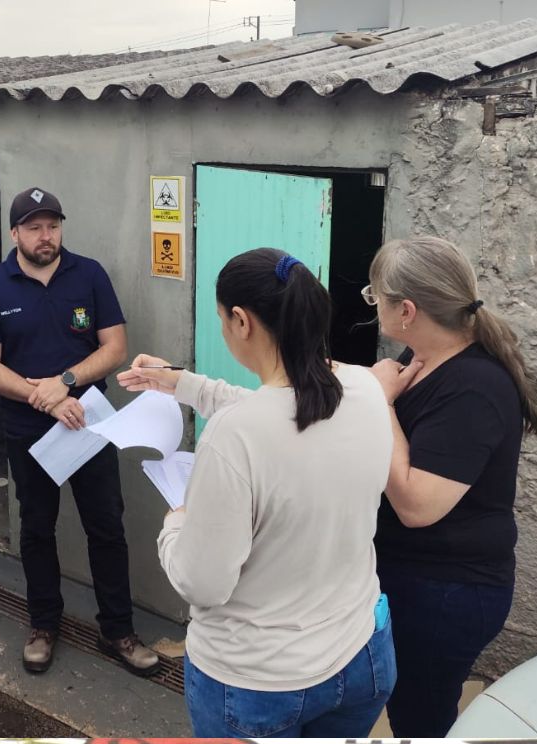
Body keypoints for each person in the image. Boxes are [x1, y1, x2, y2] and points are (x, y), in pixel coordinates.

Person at [119, 247, 396, 738]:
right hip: (362, 656)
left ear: (241, 321)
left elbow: (202, 583)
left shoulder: (233, 436)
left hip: (258, 683)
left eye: (223, 320)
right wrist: (180, 383)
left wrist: (176, 523)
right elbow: (282, 411)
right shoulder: (363, 388)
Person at [0, 186, 159, 677]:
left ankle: (118, 629)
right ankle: (43, 624)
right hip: (29, 431)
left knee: (107, 528)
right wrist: (46, 399)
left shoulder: (88, 274)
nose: (45, 235)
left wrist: (66, 383)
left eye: (52, 225)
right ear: (15, 233)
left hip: (89, 425)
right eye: (34, 227)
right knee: (36, 529)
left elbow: (114, 347)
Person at [365, 236, 537, 737]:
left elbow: (416, 505)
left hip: (447, 591)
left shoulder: (474, 387)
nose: (372, 306)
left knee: (421, 718)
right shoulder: (423, 356)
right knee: (409, 704)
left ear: (406, 309)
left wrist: (381, 405)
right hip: (417, 580)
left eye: (374, 297)